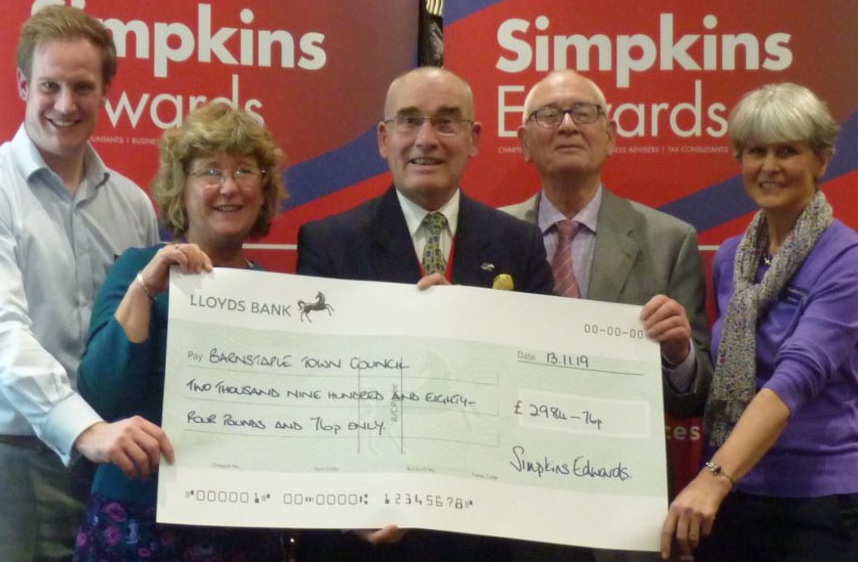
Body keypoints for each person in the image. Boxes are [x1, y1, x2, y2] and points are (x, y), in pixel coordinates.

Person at [0, 5, 168, 562]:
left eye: (83, 86)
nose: (66, 105)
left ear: (106, 91)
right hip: (8, 466)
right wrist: (82, 428)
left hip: (111, 465)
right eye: (50, 85)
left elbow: (135, 335)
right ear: (23, 85)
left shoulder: (132, 204)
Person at [296, 66, 552, 561]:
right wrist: (351, 508)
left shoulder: (518, 242)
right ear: (383, 137)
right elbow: (314, 392)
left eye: (446, 122)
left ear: (475, 138)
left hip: (483, 532)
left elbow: (539, 379)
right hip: (371, 534)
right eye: (409, 121)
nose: (426, 140)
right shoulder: (329, 242)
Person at [660, 83, 858, 562]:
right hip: (734, 499)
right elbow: (728, 376)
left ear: (821, 160)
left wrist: (713, 477)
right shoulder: (731, 259)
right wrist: (678, 353)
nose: (770, 166)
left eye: (788, 151)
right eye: (756, 151)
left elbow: (792, 381)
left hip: (817, 507)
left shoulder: (849, 259)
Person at [500, 70, 713, 562]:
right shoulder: (489, 237)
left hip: (621, 511)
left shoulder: (668, 241)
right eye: (549, 114)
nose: (569, 124)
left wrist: (679, 354)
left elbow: (694, 397)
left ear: (611, 136)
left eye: (585, 112)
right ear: (524, 143)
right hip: (514, 504)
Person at [73, 102, 289, 561]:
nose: (229, 187)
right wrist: (145, 290)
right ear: (181, 188)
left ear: (262, 188)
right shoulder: (137, 270)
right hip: (138, 523)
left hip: (244, 526)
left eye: (245, 171)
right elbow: (101, 396)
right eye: (210, 171)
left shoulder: (276, 295)